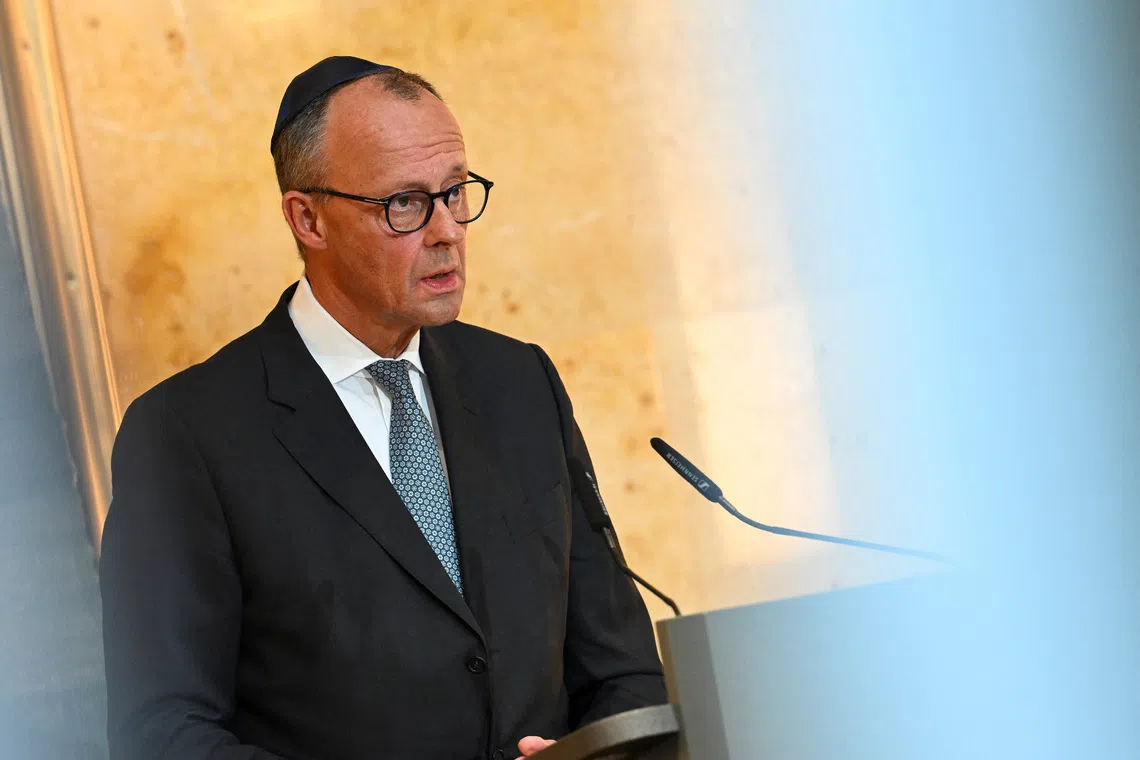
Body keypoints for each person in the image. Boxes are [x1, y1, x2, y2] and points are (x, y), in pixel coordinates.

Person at [98, 56, 667, 760]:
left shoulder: (520, 382)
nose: (447, 230)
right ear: (308, 218)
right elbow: (163, 732)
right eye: (405, 203)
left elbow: (623, 675)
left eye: (455, 192)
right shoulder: (186, 434)